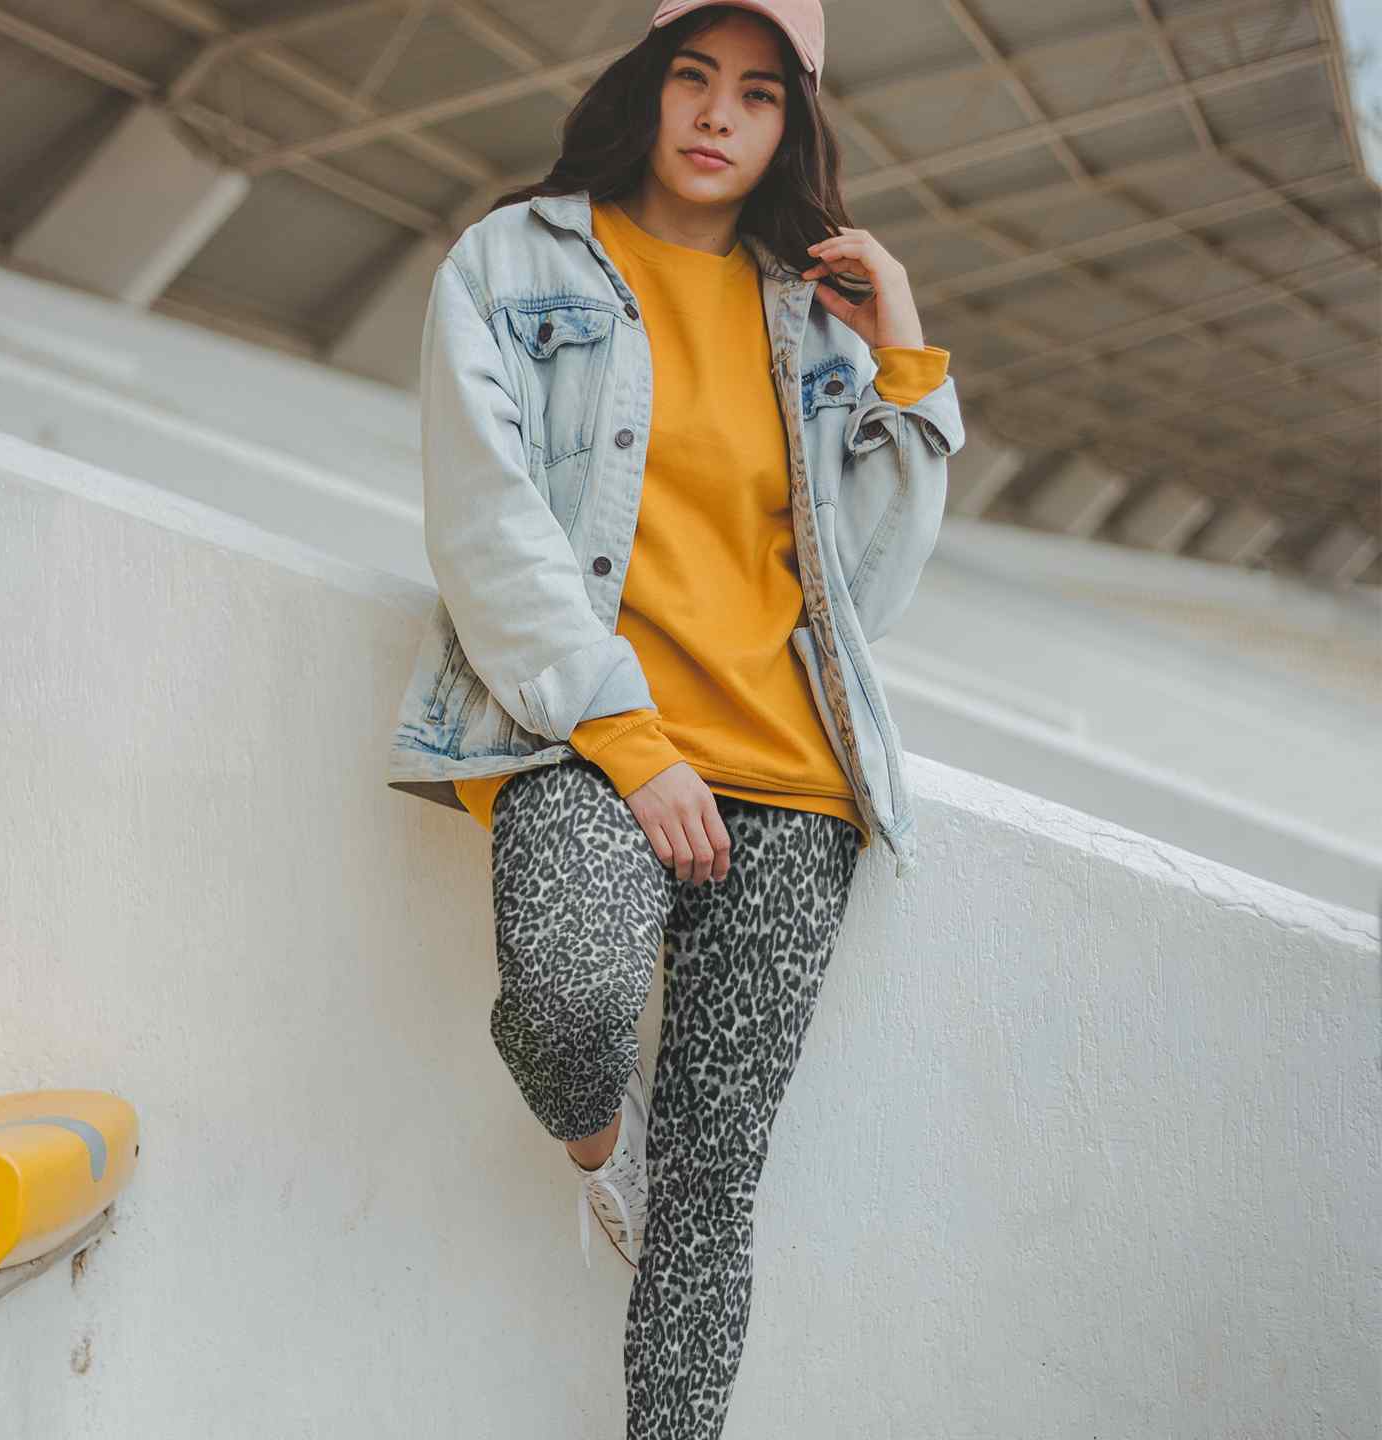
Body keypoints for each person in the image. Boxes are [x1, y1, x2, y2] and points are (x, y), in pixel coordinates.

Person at [392, 2, 962, 1433]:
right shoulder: (512, 263)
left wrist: (905, 359)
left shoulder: (808, 315)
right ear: (645, 87)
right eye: (693, 78)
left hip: (794, 787)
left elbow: (865, 592)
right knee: (570, 1000)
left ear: (793, 126)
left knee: (717, 1191)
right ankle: (604, 1154)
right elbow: (486, 527)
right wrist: (630, 745)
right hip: (594, 743)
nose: (718, 115)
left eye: (759, 95)